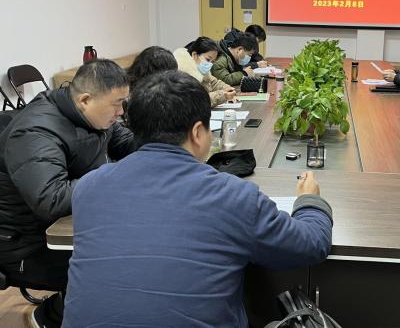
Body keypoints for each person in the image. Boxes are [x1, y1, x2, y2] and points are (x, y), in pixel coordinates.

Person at [62, 71, 333, 327]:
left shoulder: (89, 187)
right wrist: (309, 200)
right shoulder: (232, 196)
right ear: (197, 132)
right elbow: (310, 244)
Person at [0, 59, 135, 328]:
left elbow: (125, 143)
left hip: (64, 226)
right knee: (126, 263)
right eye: (117, 104)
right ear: (85, 99)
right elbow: (51, 199)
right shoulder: (36, 131)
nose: (121, 112)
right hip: (26, 244)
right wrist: (114, 177)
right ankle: (51, 316)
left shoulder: (95, 116)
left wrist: (164, 144)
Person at [174, 37, 237, 106]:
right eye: (208, 59)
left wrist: (228, 89)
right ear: (195, 55)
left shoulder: (200, 69)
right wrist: (222, 95)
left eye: (213, 61)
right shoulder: (183, 75)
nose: (210, 64)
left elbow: (214, 82)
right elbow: (197, 100)